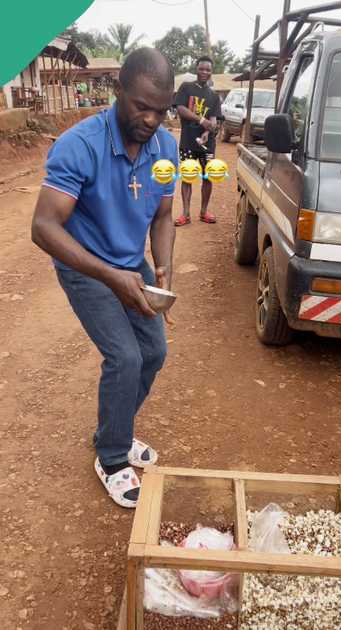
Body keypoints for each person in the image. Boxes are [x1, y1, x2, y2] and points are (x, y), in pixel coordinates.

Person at [30, 47, 179, 509]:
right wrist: (111, 277)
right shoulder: (80, 144)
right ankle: (112, 458)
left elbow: (164, 213)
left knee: (154, 350)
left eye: (160, 109)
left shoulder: (165, 147)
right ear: (119, 91)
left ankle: (115, 430)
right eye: (141, 106)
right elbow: (43, 228)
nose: (151, 119)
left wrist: (162, 267)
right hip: (85, 266)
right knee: (125, 358)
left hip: (130, 265)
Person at [173, 56, 222, 226]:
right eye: (202, 68)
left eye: (208, 69)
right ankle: (185, 214)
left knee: (207, 177)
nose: (204, 72)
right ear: (196, 69)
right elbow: (180, 109)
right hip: (188, 141)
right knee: (187, 176)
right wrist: (202, 121)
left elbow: (214, 120)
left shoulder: (214, 96)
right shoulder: (186, 88)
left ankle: (203, 212)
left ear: (211, 72)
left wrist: (209, 131)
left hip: (207, 144)